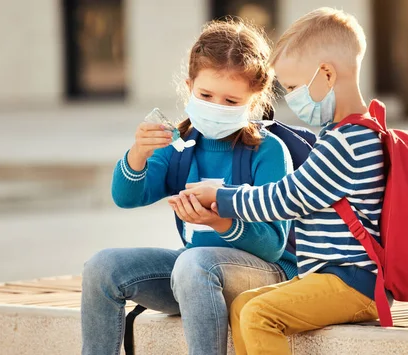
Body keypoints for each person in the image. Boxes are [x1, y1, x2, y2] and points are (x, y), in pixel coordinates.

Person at [81, 19, 296, 355]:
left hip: (266, 275)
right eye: (206, 95)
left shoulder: (268, 152)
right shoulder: (179, 145)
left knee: (194, 264)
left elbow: (273, 246)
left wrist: (220, 221)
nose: (215, 107)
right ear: (189, 86)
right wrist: (138, 153)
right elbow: (126, 197)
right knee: (101, 268)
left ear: (253, 101)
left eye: (230, 101)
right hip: (194, 277)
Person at [179, 8, 386, 355]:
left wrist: (222, 196)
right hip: (332, 279)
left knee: (259, 313)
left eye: (293, 87)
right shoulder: (350, 132)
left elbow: (287, 198)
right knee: (243, 305)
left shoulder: (346, 141)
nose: (291, 98)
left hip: (355, 284)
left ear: (327, 74)